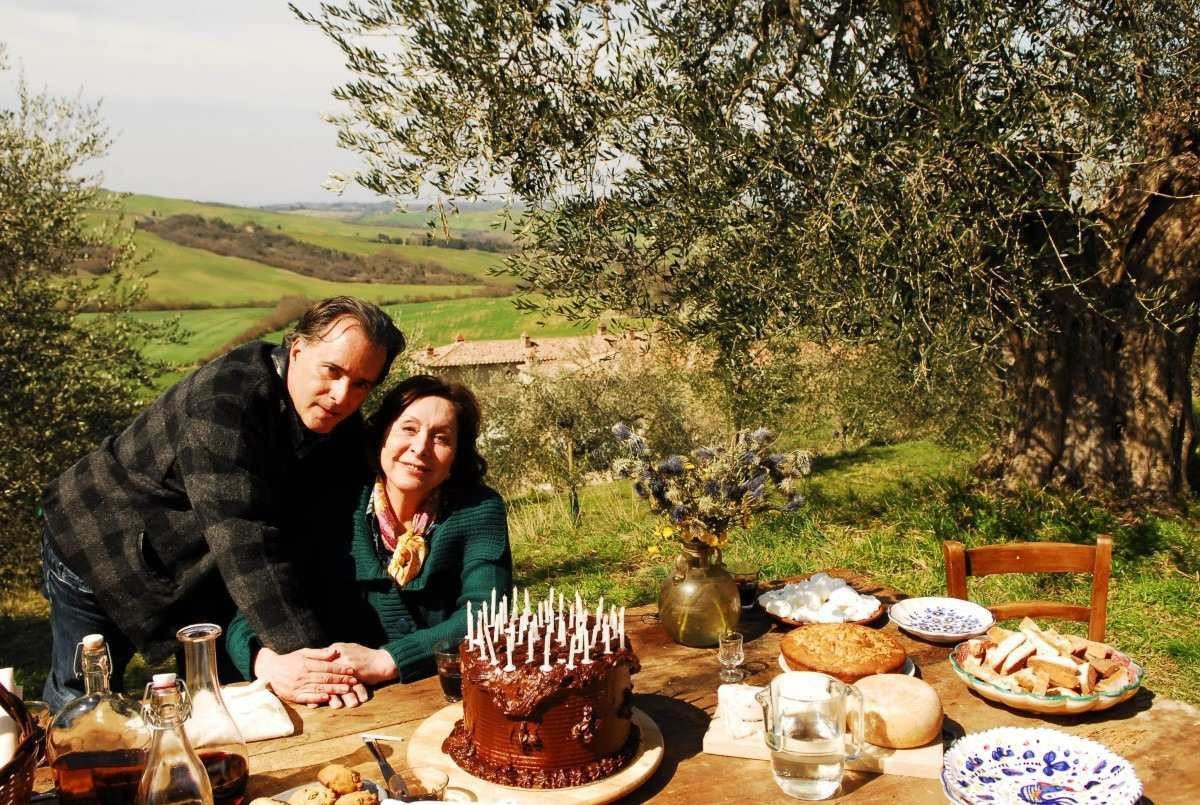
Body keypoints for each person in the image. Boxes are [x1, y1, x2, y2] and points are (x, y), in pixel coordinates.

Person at [39, 297, 405, 711]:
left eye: (362, 384)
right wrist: (313, 665)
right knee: (86, 700)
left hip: (186, 557)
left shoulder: (333, 419)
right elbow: (245, 538)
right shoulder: (225, 402)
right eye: (333, 371)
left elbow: (332, 518)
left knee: (201, 694)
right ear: (298, 350)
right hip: (98, 536)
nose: (342, 395)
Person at [225, 375, 512, 708]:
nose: (420, 448)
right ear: (382, 437)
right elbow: (248, 610)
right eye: (408, 429)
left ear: (455, 457)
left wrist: (386, 660)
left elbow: (488, 616)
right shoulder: (328, 506)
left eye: (441, 438)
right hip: (337, 708)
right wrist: (271, 666)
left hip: (441, 700)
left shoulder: (477, 510)